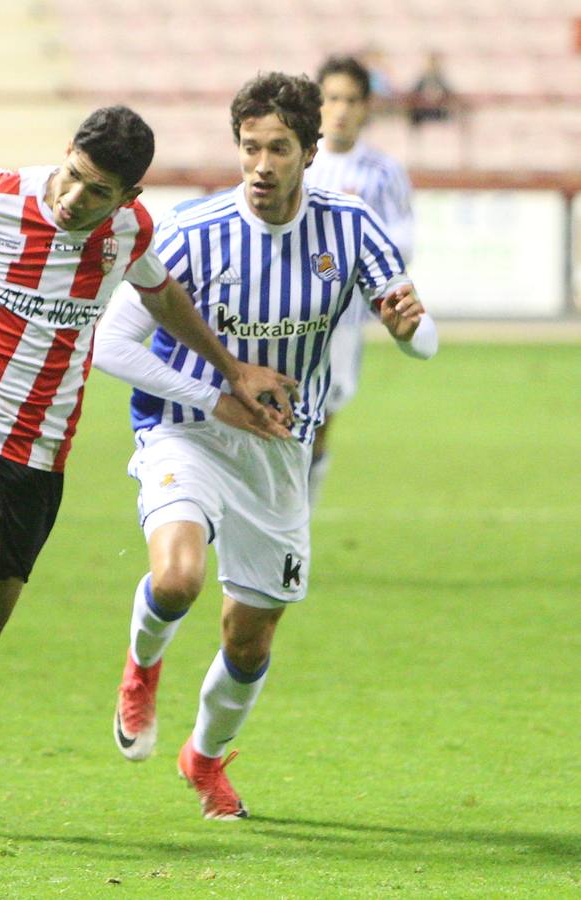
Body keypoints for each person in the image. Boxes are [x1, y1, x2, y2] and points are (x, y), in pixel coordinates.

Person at [0, 105, 297, 834]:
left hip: (39, 456)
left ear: (127, 198)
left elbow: (163, 295)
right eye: (74, 178)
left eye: (98, 192)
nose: (76, 199)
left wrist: (230, 370)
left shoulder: (129, 234)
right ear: (66, 153)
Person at [96, 72, 438, 821]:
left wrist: (413, 332)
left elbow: (419, 333)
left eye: (278, 148)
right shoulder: (194, 230)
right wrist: (215, 394)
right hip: (187, 428)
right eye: (250, 147)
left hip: (281, 450)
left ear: (310, 152)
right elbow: (110, 344)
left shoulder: (348, 228)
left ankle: (204, 760)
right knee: (179, 578)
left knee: (248, 638)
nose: (261, 163)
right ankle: (141, 668)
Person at [305, 54, 415, 507]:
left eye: (351, 99)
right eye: (332, 98)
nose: (342, 109)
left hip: (345, 319)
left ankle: (300, 519)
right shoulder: (299, 162)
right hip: (290, 309)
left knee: (323, 417)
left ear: (367, 107)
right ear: (318, 105)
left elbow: (401, 244)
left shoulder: (383, 173)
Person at [407, 52, 455, 126]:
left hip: (438, 110)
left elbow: (448, 91)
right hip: (423, 110)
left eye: (434, 63)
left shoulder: (440, 78)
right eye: (431, 63)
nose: (432, 65)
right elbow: (414, 90)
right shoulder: (423, 77)